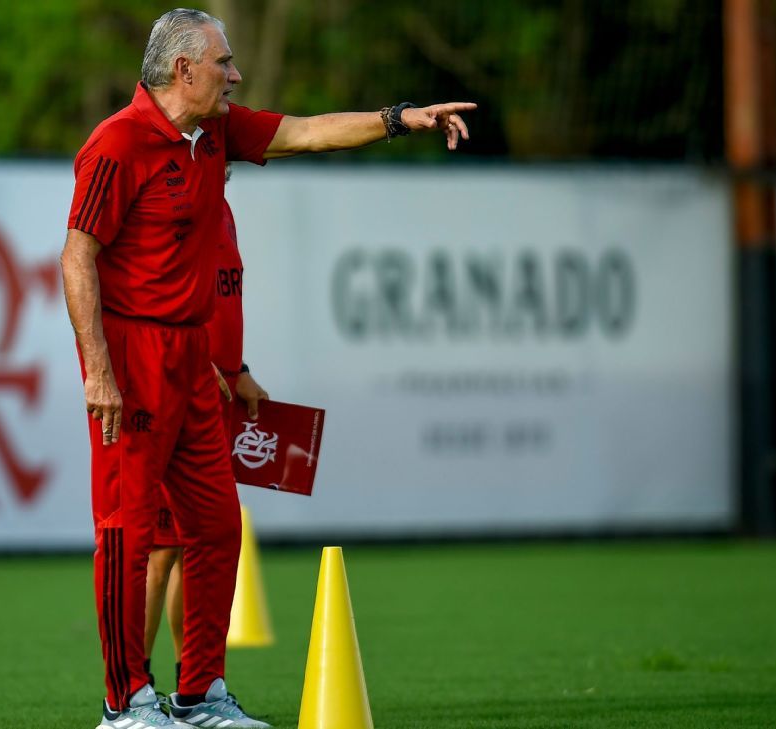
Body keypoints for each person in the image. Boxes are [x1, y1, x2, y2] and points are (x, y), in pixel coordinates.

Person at [60, 8, 474, 728]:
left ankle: (198, 694)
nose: (236, 74)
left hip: (193, 359)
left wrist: (399, 117)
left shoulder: (216, 130)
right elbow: (77, 256)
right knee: (127, 531)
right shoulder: (115, 144)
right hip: (133, 357)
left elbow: (310, 131)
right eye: (224, 62)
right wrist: (98, 368)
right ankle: (123, 701)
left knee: (217, 527)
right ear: (183, 69)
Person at [143, 163, 268, 698]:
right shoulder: (175, 218)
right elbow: (156, 304)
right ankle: (131, 689)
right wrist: (196, 364)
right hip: (177, 394)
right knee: (159, 548)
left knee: (194, 545)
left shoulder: (222, 214)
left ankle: (189, 687)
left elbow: (220, 303)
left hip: (214, 396)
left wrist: (237, 371)